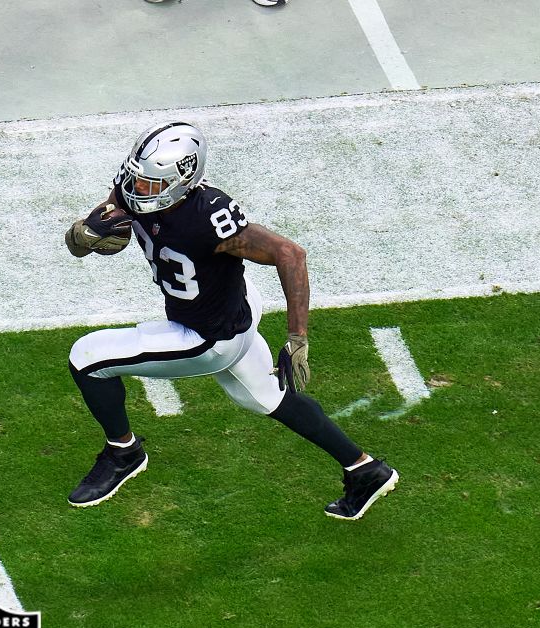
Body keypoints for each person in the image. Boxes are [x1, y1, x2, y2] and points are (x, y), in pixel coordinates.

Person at [64, 121, 396, 520]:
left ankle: (123, 453)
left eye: (150, 184)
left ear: (181, 181)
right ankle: (365, 469)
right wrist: (84, 235)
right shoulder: (134, 187)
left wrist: (297, 337)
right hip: (228, 309)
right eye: (135, 178)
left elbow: (290, 254)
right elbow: (87, 237)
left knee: (87, 357)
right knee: (265, 397)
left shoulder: (209, 216)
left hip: (207, 336)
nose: (137, 190)